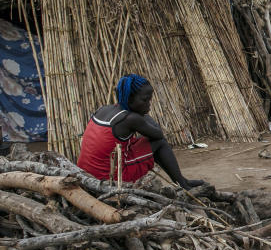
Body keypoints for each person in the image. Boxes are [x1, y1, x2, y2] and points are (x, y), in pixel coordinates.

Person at [77, 74, 206, 190]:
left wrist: (140, 110)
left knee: (136, 143)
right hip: (109, 178)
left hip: (87, 173)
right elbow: (158, 134)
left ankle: (181, 182)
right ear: (129, 99)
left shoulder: (104, 109)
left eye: (150, 100)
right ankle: (182, 183)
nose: (149, 104)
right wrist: (143, 114)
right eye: (145, 100)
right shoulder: (131, 118)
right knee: (160, 142)